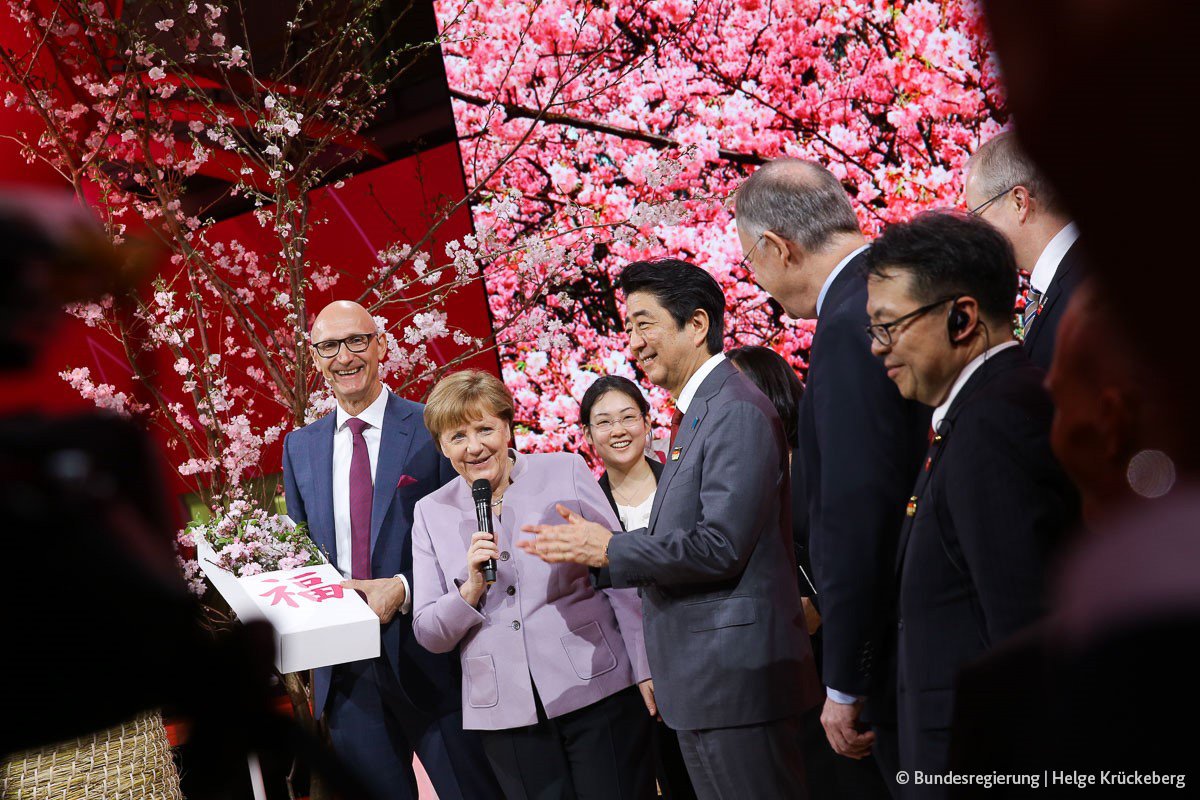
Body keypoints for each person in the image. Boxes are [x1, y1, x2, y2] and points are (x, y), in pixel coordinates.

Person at [519, 259, 821, 800]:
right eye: (628, 326)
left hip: (736, 683)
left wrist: (610, 547)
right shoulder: (702, 411)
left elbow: (720, 545)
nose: (633, 341)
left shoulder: (735, 410)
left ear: (697, 325)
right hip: (708, 686)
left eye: (644, 323)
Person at [863, 211, 1078, 796]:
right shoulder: (979, 412)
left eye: (890, 326)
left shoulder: (995, 424)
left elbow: (1026, 634)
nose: (879, 350)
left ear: (962, 318)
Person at [735, 157, 928, 795]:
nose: (757, 281)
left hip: (913, 640)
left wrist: (845, 680)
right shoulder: (899, 290)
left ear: (774, 247)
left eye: (751, 262)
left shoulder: (849, 326)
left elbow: (856, 512)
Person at [281, 302, 499, 800]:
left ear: (381, 345)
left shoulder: (434, 428)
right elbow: (303, 553)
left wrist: (401, 588)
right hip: (345, 674)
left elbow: (471, 537)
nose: (345, 357)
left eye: (357, 341)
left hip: (432, 655)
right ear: (315, 359)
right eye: (329, 347)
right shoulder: (300, 446)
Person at [410, 369, 655, 800]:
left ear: (507, 427)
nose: (475, 446)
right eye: (458, 436)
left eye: (485, 428)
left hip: (595, 684)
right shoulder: (430, 512)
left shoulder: (564, 471)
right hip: (505, 713)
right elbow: (429, 632)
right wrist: (468, 589)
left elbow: (619, 575)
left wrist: (646, 666)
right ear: (442, 447)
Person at [578, 375, 696, 800]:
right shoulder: (585, 509)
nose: (619, 430)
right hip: (635, 676)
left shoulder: (685, 486)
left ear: (648, 423)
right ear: (588, 435)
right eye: (604, 422)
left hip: (701, 649)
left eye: (629, 417)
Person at [964, 131, 1086, 370]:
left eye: (977, 216)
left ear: (1019, 201)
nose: (975, 234)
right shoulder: (1067, 280)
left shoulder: (1084, 290)